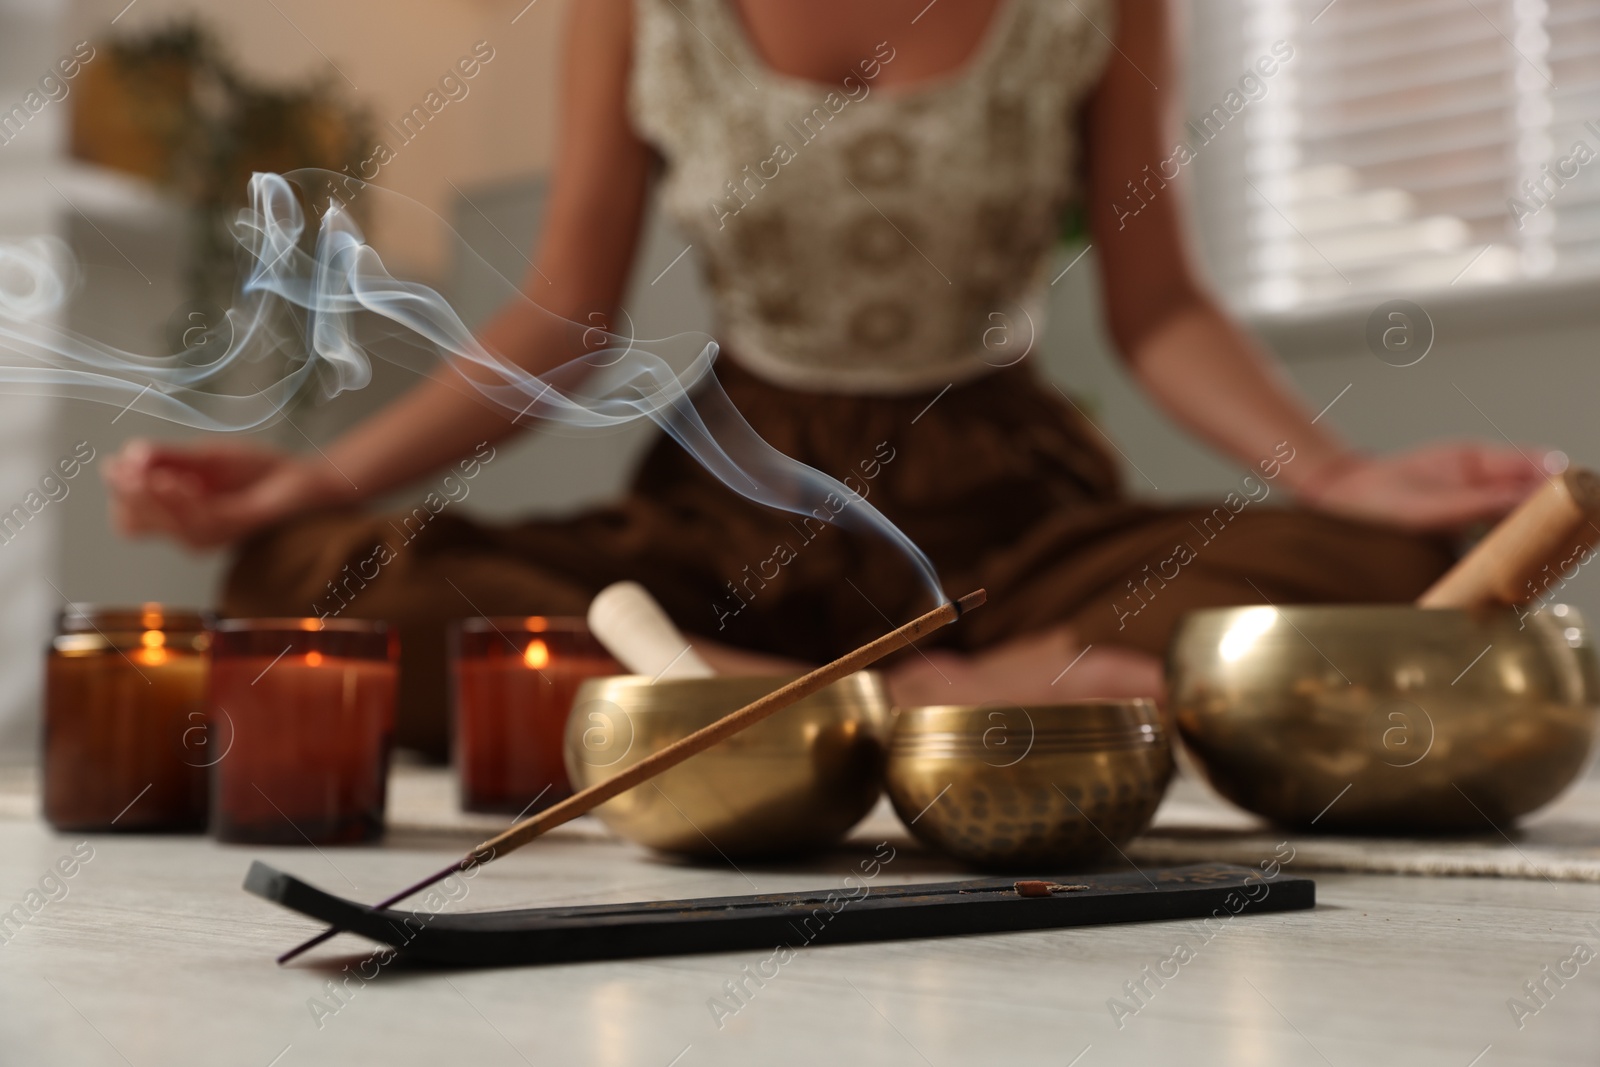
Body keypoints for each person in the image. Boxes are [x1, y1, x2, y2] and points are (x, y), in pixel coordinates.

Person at [104, 0, 1538, 758]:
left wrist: (1344, 476)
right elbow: (563, 323)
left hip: (1011, 511)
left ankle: (742, 705)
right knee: (307, 581)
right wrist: (313, 480)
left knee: (1391, 562)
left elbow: (1157, 307)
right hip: (728, 509)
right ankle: (879, 700)